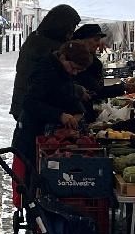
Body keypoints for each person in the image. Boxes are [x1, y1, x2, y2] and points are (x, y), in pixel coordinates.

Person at [13, 41, 91, 169]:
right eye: (73, 67)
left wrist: (78, 111)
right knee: (29, 179)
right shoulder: (44, 70)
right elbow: (30, 103)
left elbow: (67, 93)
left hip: (48, 135)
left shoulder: (62, 71)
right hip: (31, 135)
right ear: (63, 57)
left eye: (79, 70)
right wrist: (60, 115)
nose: (75, 72)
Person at [11, 3, 79, 122]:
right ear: (61, 28)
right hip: (32, 107)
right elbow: (51, 82)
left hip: (25, 104)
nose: (71, 35)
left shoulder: (36, 38)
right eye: (70, 30)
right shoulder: (47, 47)